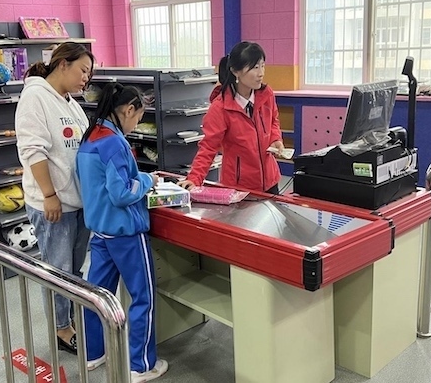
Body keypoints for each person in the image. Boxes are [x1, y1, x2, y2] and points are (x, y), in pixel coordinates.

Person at [76, 83, 168, 382]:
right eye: (138, 117)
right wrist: (148, 180)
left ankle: (93, 352)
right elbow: (122, 193)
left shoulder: (91, 136)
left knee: (97, 296)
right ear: (128, 110)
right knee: (143, 298)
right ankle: (141, 365)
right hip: (126, 233)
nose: (136, 124)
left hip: (100, 231)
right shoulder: (115, 143)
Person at [15, 42, 94, 355]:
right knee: (58, 270)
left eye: (89, 73)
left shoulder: (70, 102)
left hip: (78, 203)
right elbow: (33, 150)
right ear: (63, 64)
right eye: (83, 70)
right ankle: (62, 329)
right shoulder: (35, 97)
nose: (86, 78)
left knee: (73, 270)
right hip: (54, 204)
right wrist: (49, 194)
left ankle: (70, 318)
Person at [179, 41, 285, 194]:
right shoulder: (220, 108)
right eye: (255, 67)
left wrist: (275, 139)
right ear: (236, 71)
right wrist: (194, 178)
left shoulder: (266, 95)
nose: (261, 73)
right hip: (239, 187)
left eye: (263, 66)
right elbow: (208, 147)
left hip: (270, 181)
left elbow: (274, 121)